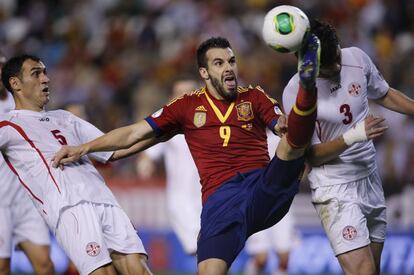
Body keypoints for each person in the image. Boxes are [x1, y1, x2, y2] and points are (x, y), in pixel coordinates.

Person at [53, 35, 330, 274]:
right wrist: (85, 148)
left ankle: (308, 86)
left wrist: (286, 124)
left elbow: (283, 128)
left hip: (261, 186)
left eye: (231, 61)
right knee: (208, 269)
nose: (229, 68)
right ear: (204, 73)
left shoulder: (254, 97)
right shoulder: (186, 106)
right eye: (219, 63)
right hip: (220, 201)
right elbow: (134, 133)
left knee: (292, 143)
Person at [283, 19, 414, 275]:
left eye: (337, 57)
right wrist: (355, 136)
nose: (337, 66)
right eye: (329, 65)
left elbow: (384, 93)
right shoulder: (295, 92)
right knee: (363, 271)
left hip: (370, 178)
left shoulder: (356, 57)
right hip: (334, 187)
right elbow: (311, 156)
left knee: (372, 270)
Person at [0, 54, 152, 275]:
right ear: (15, 84)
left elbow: (115, 150)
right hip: (68, 207)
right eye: (36, 73)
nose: (45, 79)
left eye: (45, 72)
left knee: (138, 268)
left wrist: (162, 131)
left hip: (105, 199)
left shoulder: (64, 117)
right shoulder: (8, 125)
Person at [0, 52, 54, 275]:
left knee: (44, 263)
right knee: (2, 266)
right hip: (0, 200)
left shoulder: (23, 103)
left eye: (2, 65)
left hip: (25, 198)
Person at [136, 78, 202, 256]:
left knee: (213, 253)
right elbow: (149, 151)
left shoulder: (212, 120)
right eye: (179, 93)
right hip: (182, 200)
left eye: (189, 91)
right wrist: (145, 163)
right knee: (203, 249)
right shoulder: (167, 122)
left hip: (210, 197)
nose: (184, 96)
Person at [244, 132, 299, 275]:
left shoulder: (285, 136)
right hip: (256, 203)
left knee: (284, 257)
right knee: (262, 259)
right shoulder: (249, 136)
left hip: (280, 201)